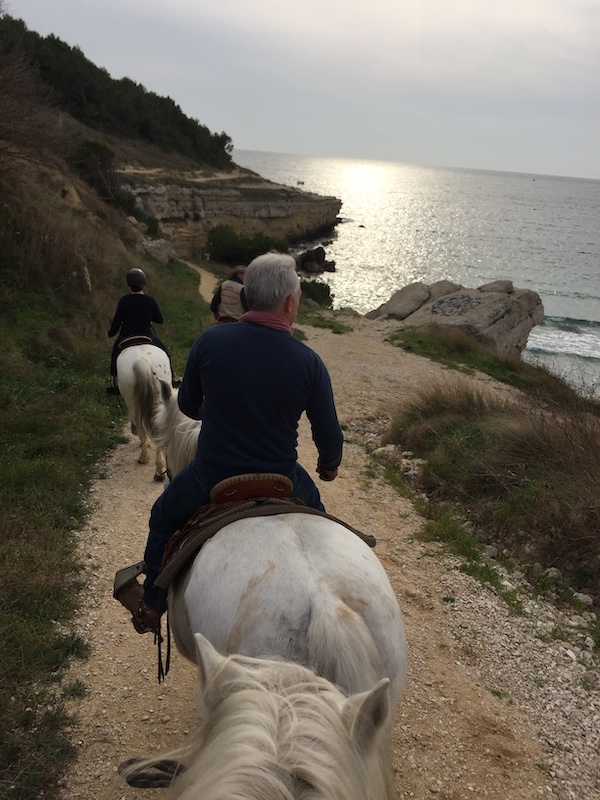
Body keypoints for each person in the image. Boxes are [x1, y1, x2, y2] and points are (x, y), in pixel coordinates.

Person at [136, 252, 343, 630]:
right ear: (290, 303)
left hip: (212, 474)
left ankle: (151, 603)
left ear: (247, 298)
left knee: (162, 517)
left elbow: (188, 406)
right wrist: (328, 466)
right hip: (282, 476)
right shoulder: (309, 362)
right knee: (323, 525)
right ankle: (331, 588)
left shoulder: (210, 341)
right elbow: (328, 433)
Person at [106, 268, 173, 395]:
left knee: (115, 356)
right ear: (144, 283)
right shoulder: (150, 300)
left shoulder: (124, 300)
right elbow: (159, 320)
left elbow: (116, 322)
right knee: (165, 352)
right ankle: (173, 378)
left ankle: (114, 384)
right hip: (147, 335)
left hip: (126, 336)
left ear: (129, 284)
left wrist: (110, 333)